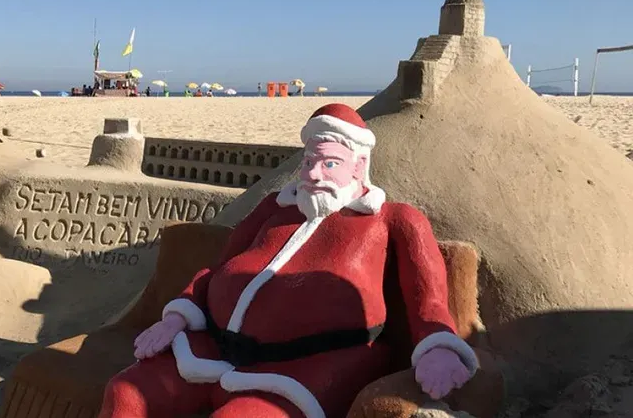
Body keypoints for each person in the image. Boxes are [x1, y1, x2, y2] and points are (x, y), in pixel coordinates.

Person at [100, 104, 478, 418]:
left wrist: (439, 347)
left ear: (358, 167)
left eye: (328, 163)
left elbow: (427, 299)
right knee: (126, 393)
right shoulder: (273, 208)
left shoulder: (391, 219)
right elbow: (218, 268)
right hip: (210, 351)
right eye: (309, 161)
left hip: (303, 369)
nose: (313, 173)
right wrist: (177, 317)